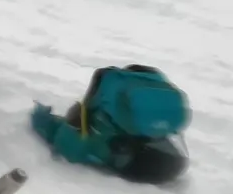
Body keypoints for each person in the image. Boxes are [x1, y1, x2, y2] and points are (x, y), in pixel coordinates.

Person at [30, 65, 190, 184]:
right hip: (175, 163)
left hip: (136, 167)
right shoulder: (156, 127)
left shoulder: (96, 133)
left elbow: (65, 146)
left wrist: (42, 117)